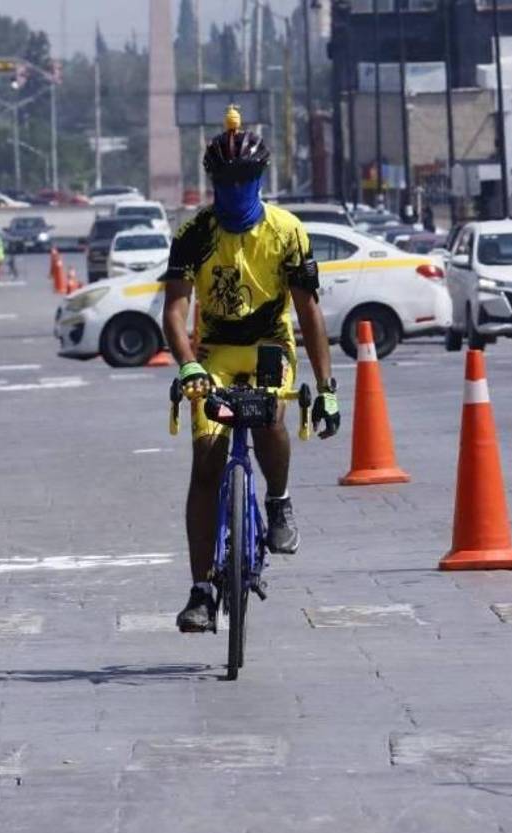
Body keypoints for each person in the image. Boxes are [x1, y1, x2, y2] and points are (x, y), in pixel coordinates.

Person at [161, 108, 341, 634]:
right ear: (212, 182)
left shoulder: (288, 232)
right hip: (215, 350)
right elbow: (174, 311)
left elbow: (308, 312)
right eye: (225, 181)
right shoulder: (194, 232)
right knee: (206, 461)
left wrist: (327, 388)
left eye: (244, 180)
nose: (235, 188)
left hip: (268, 345)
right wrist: (189, 363)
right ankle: (200, 590)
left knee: (271, 417)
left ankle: (278, 501)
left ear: (259, 180)